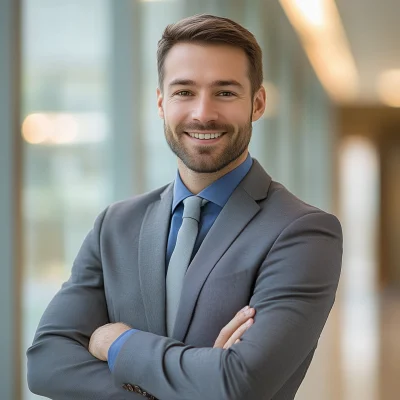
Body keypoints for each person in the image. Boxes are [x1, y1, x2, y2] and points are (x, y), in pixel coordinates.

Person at [27, 14, 343, 400]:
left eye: (225, 92)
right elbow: (46, 364)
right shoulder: (116, 225)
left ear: (257, 103)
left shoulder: (303, 232)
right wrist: (197, 378)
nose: (202, 113)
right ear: (161, 102)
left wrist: (118, 344)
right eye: (184, 92)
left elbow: (238, 383)